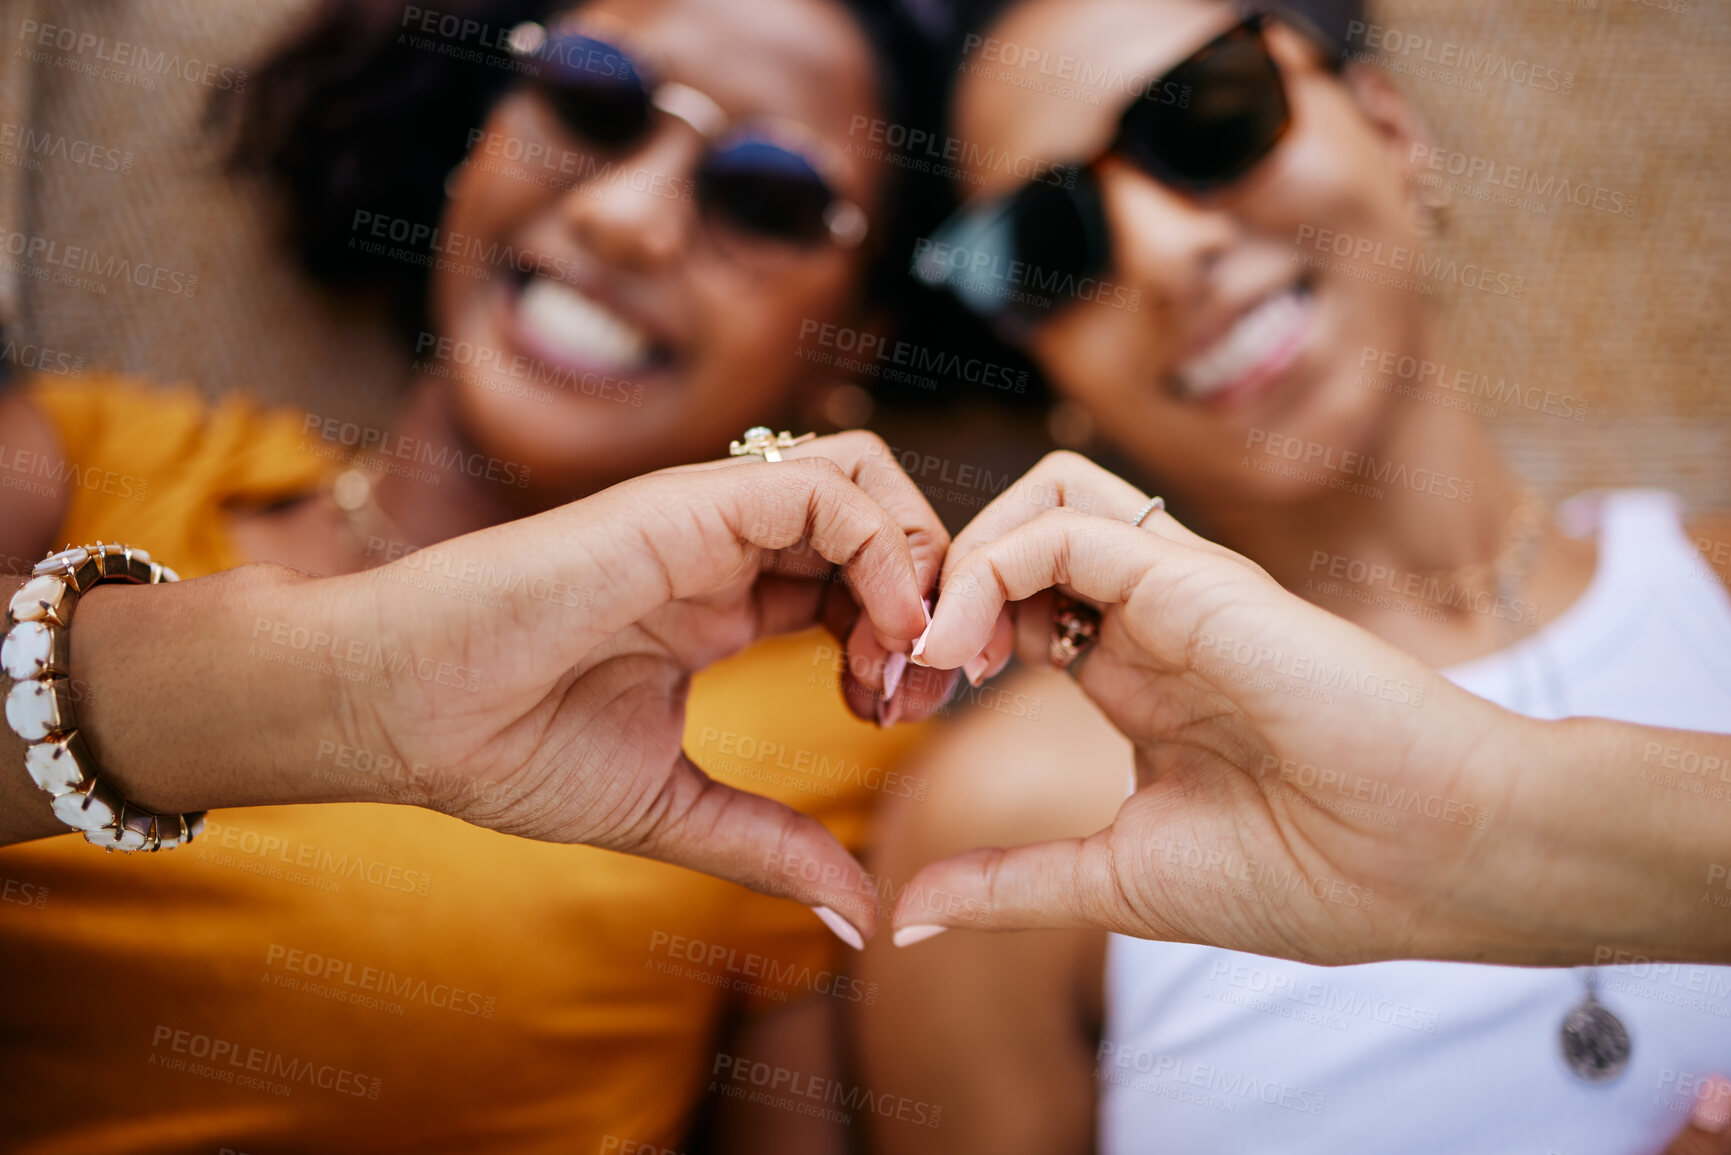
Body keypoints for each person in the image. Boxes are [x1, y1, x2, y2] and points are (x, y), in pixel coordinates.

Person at [0, 0, 954, 1149]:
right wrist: (349, 685)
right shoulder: (83, 459)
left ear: (847, 343)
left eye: (766, 198)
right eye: (595, 97)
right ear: (477, 134)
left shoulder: (846, 713)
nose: (625, 218)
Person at [855, 1, 1731, 1152]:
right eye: (1049, 243)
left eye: (1210, 114)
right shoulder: (1015, 831)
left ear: (1390, 125)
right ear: (1045, 358)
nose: (1169, 255)